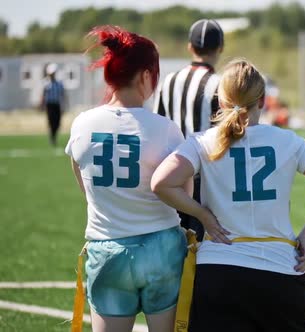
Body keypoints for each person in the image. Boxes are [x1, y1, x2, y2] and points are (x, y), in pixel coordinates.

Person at [151, 59, 305, 332]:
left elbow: (161, 183)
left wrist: (202, 215)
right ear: (263, 101)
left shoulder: (202, 141)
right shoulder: (289, 141)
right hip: (281, 274)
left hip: (218, 273)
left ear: (220, 103)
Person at [65, 26, 187, 332]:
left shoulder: (83, 123)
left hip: (107, 247)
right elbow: (184, 193)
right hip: (161, 247)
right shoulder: (166, 129)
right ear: (146, 76)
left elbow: (84, 183)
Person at [153, 19, 224, 240]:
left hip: (171, 175)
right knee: (201, 249)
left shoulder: (169, 81)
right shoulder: (220, 84)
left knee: (176, 249)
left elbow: (157, 125)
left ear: (190, 47)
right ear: (220, 48)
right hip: (206, 180)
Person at [40, 63, 66, 146]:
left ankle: (54, 136)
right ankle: (52, 138)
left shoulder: (59, 84)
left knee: (57, 123)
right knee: (51, 122)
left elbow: (63, 95)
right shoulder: (46, 83)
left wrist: (64, 106)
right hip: (50, 105)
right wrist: (42, 105)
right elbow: (43, 95)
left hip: (57, 105)